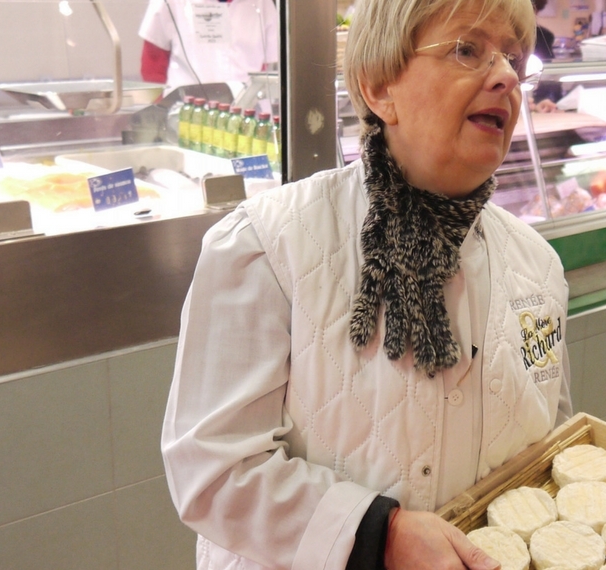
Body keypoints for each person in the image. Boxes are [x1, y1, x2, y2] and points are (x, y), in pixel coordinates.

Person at [161, 0, 572, 567]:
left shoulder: (538, 266)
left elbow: (549, 449)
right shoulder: (266, 244)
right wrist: (380, 533)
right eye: (466, 50)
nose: (504, 76)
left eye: (514, 58)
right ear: (379, 86)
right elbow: (211, 471)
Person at [138, 0, 279, 89]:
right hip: (188, 116)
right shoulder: (169, 2)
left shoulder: (262, 4)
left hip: (246, 117)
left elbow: (267, 66)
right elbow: (153, 62)